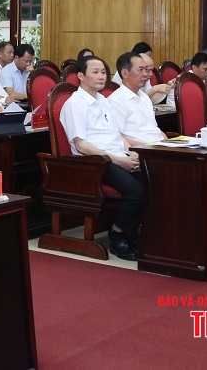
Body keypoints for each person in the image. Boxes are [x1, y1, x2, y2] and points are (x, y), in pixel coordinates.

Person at [58, 55, 142, 261]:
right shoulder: (74, 104)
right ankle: (118, 234)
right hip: (95, 163)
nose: (101, 76)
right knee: (136, 191)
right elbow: (81, 146)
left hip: (116, 156)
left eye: (103, 72)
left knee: (155, 180)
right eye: (95, 72)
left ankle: (132, 233)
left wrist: (131, 152)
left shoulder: (103, 100)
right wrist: (118, 160)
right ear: (80, 76)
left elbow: (117, 135)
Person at [108, 52, 166, 145]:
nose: (145, 74)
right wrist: (149, 147)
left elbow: (155, 130)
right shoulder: (116, 101)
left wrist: (168, 144)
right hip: (142, 150)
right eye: (140, 70)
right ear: (125, 73)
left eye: (146, 69)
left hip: (158, 147)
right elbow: (117, 138)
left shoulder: (144, 97)